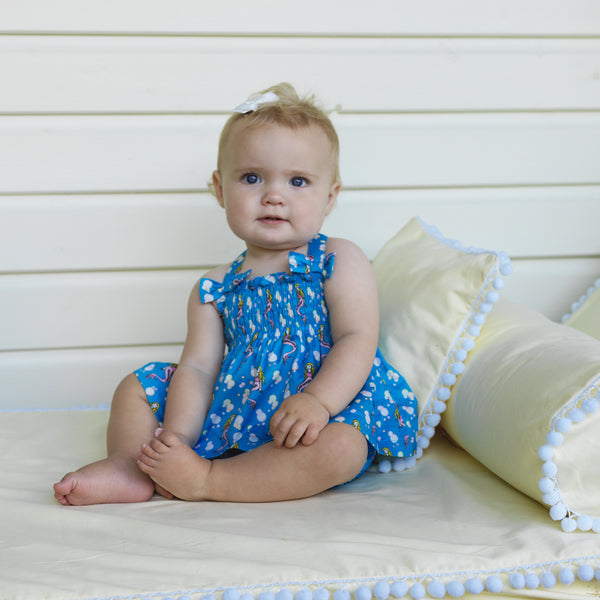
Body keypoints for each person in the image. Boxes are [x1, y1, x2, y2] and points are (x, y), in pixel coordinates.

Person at [53, 83, 417, 505]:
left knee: (342, 449)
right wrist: (175, 440)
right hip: (241, 399)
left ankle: (212, 480)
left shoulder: (337, 258)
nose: (274, 195)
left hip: (320, 405)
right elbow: (199, 370)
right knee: (135, 387)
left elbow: (358, 337)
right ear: (220, 189)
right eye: (251, 177)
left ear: (330, 196)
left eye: (298, 181)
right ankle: (132, 466)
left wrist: (318, 401)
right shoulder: (214, 287)